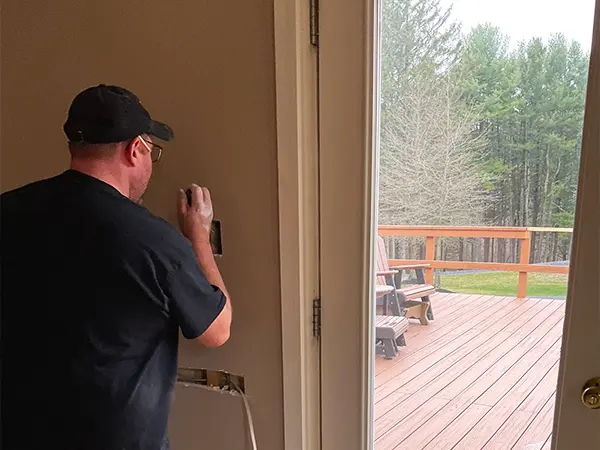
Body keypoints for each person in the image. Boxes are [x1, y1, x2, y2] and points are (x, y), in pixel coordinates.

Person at [0, 85, 232, 450]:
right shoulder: (151, 239)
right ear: (135, 149)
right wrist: (199, 236)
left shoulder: (9, 210)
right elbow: (216, 330)